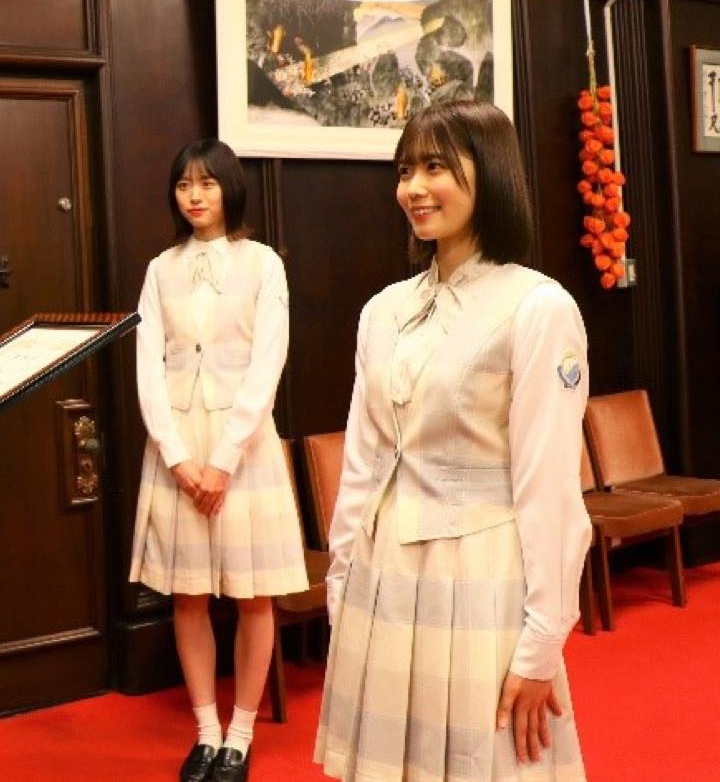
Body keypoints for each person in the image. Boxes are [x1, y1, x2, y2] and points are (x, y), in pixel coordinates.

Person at [314, 101, 592, 781]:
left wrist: (543, 639)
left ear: (487, 171)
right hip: (381, 575)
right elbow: (364, 459)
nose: (413, 187)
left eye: (435, 166)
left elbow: (549, 486)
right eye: (404, 170)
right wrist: (342, 579)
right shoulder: (384, 310)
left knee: (484, 763)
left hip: (479, 576)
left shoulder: (537, 307)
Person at [129, 138, 309, 782]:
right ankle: (205, 732)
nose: (195, 195)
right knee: (189, 596)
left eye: (206, 183)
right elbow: (148, 368)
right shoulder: (160, 269)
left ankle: (240, 735)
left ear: (229, 188)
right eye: (184, 185)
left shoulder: (263, 264)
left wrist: (226, 457)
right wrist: (178, 457)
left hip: (245, 445)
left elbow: (268, 363)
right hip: (177, 444)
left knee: (254, 598)